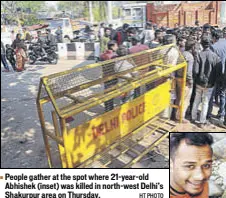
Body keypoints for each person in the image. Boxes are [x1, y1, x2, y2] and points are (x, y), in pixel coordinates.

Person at [170, 133, 213, 198]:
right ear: (171, 164)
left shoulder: (200, 185)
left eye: (206, 166)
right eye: (189, 166)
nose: (200, 177)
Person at [191, 35, 222, 128]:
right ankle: (202, 121)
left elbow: (195, 71)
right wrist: (214, 81)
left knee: (196, 100)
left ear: (201, 44)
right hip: (209, 84)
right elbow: (218, 72)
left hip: (199, 83)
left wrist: (196, 79)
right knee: (206, 102)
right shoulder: (215, 57)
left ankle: (193, 117)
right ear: (210, 43)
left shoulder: (199, 55)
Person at [175, 39, 196, 122]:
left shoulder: (181, 53)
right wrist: (190, 81)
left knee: (179, 97)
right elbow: (189, 72)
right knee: (185, 99)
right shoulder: (190, 57)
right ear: (192, 47)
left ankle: (176, 114)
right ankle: (180, 117)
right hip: (185, 80)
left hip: (178, 78)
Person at [208, 30, 226, 122]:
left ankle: (209, 113)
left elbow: (211, 61)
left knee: (212, 93)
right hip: (224, 73)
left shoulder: (213, 47)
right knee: (223, 94)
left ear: (214, 37)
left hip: (215, 73)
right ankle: (221, 113)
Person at [100, 40, 118, 112]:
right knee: (111, 93)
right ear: (112, 46)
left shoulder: (102, 55)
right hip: (112, 76)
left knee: (107, 91)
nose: (117, 47)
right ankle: (110, 109)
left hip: (105, 75)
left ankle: (107, 108)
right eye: (116, 46)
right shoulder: (114, 56)